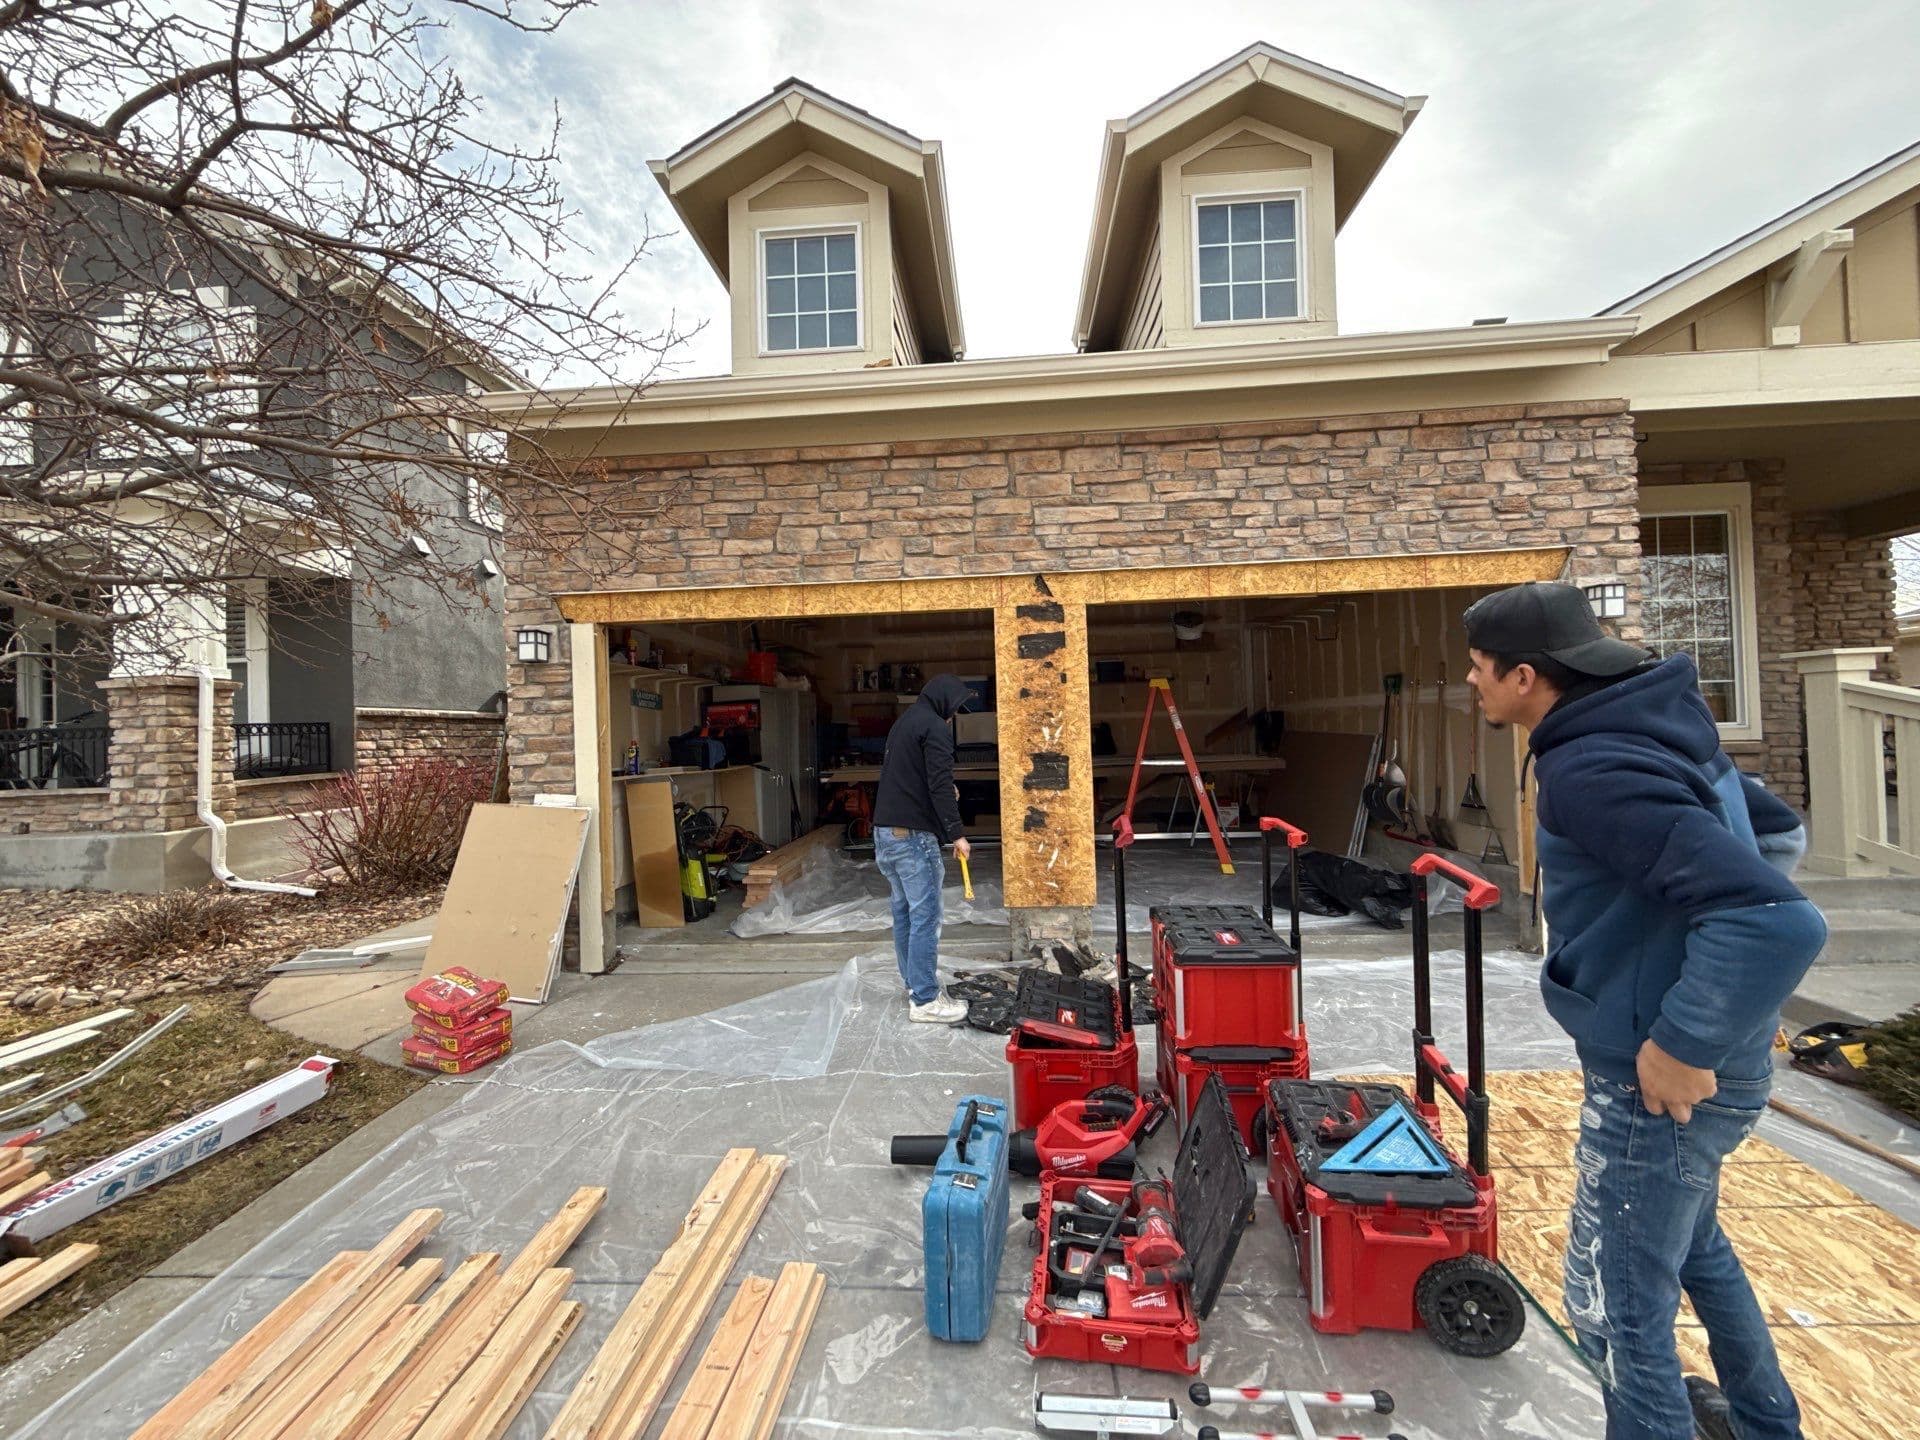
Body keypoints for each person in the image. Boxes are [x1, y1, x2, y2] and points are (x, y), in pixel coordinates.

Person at [1462, 582, 1825, 1440]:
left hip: (1658, 1080)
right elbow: (1771, 836)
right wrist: (1722, 1000)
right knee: (1696, 1248)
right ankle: (1765, 1425)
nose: (1471, 685)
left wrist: (1686, 1031)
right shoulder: (1657, 724)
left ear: (1524, 677)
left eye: (1479, 670)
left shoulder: (1590, 768)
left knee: (1617, 1312)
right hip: (1709, 1063)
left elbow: (1774, 915)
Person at [872, 673, 974, 1024]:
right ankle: (926, 1000)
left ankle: (914, 983)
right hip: (913, 840)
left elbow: (915, 780)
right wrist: (956, 834)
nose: (953, 717)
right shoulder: (935, 728)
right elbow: (941, 783)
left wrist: (943, 798)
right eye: (955, 710)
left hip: (886, 834)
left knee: (905, 914)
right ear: (944, 702)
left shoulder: (904, 724)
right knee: (926, 917)